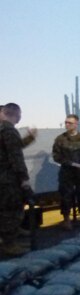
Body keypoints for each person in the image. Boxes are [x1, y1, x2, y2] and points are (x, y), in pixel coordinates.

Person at [0, 103, 33, 256]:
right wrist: (24, 179)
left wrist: (30, 138)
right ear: (17, 115)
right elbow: (16, 156)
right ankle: (9, 244)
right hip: (7, 178)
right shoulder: (8, 130)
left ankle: (10, 235)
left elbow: (13, 147)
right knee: (11, 210)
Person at [52, 114, 80, 230]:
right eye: (65, 122)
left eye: (69, 123)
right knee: (66, 195)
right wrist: (69, 163)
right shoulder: (60, 139)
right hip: (67, 172)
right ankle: (66, 220)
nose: (67, 125)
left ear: (76, 124)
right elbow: (56, 156)